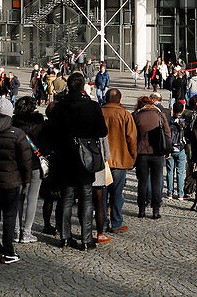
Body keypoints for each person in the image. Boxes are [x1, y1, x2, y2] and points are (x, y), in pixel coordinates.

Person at [43, 71, 108, 250]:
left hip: (64, 157)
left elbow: (52, 133)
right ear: (82, 87)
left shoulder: (59, 107)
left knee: (67, 197)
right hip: (85, 156)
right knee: (86, 197)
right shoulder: (93, 106)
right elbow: (102, 131)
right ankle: (86, 239)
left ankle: (65, 237)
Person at [0, 97, 33, 266]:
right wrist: (27, 180)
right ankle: (8, 250)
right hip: (11, 180)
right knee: (9, 216)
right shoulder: (17, 134)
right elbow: (26, 160)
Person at [101, 87, 137, 233]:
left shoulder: (99, 112)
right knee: (117, 193)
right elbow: (132, 138)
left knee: (101, 193)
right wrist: (133, 156)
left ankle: (102, 222)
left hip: (101, 160)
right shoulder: (125, 115)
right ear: (120, 100)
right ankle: (116, 222)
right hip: (120, 159)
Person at [11, 95, 45, 244]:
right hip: (35, 163)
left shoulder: (14, 122)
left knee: (18, 197)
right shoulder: (39, 123)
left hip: (18, 163)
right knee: (32, 198)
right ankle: (27, 231)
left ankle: (16, 229)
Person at [133, 93, 170, 220]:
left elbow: (133, 136)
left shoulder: (137, 116)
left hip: (142, 152)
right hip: (157, 152)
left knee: (142, 182)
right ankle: (155, 210)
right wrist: (167, 148)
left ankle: (141, 209)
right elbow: (167, 133)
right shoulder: (159, 115)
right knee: (156, 181)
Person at [165, 99, 188, 200]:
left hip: (170, 148)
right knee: (180, 172)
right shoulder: (184, 122)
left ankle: (170, 192)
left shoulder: (168, 121)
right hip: (181, 148)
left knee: (170, 171)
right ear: (182, 110)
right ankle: (180, 193)